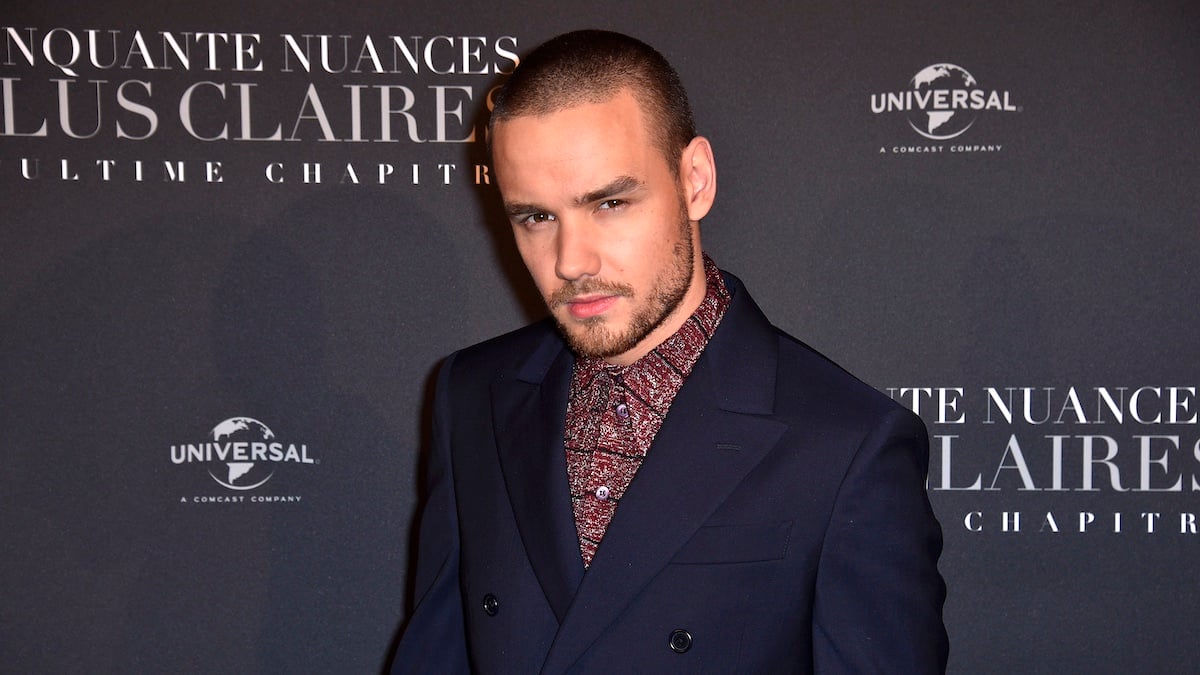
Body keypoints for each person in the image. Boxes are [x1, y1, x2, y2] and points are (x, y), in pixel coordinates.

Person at [393, 29, 947, 674]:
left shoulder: (846, 444)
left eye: (610, 203)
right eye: (536, 218)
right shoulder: (473, 392)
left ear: (695, 180)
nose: (572, 262)